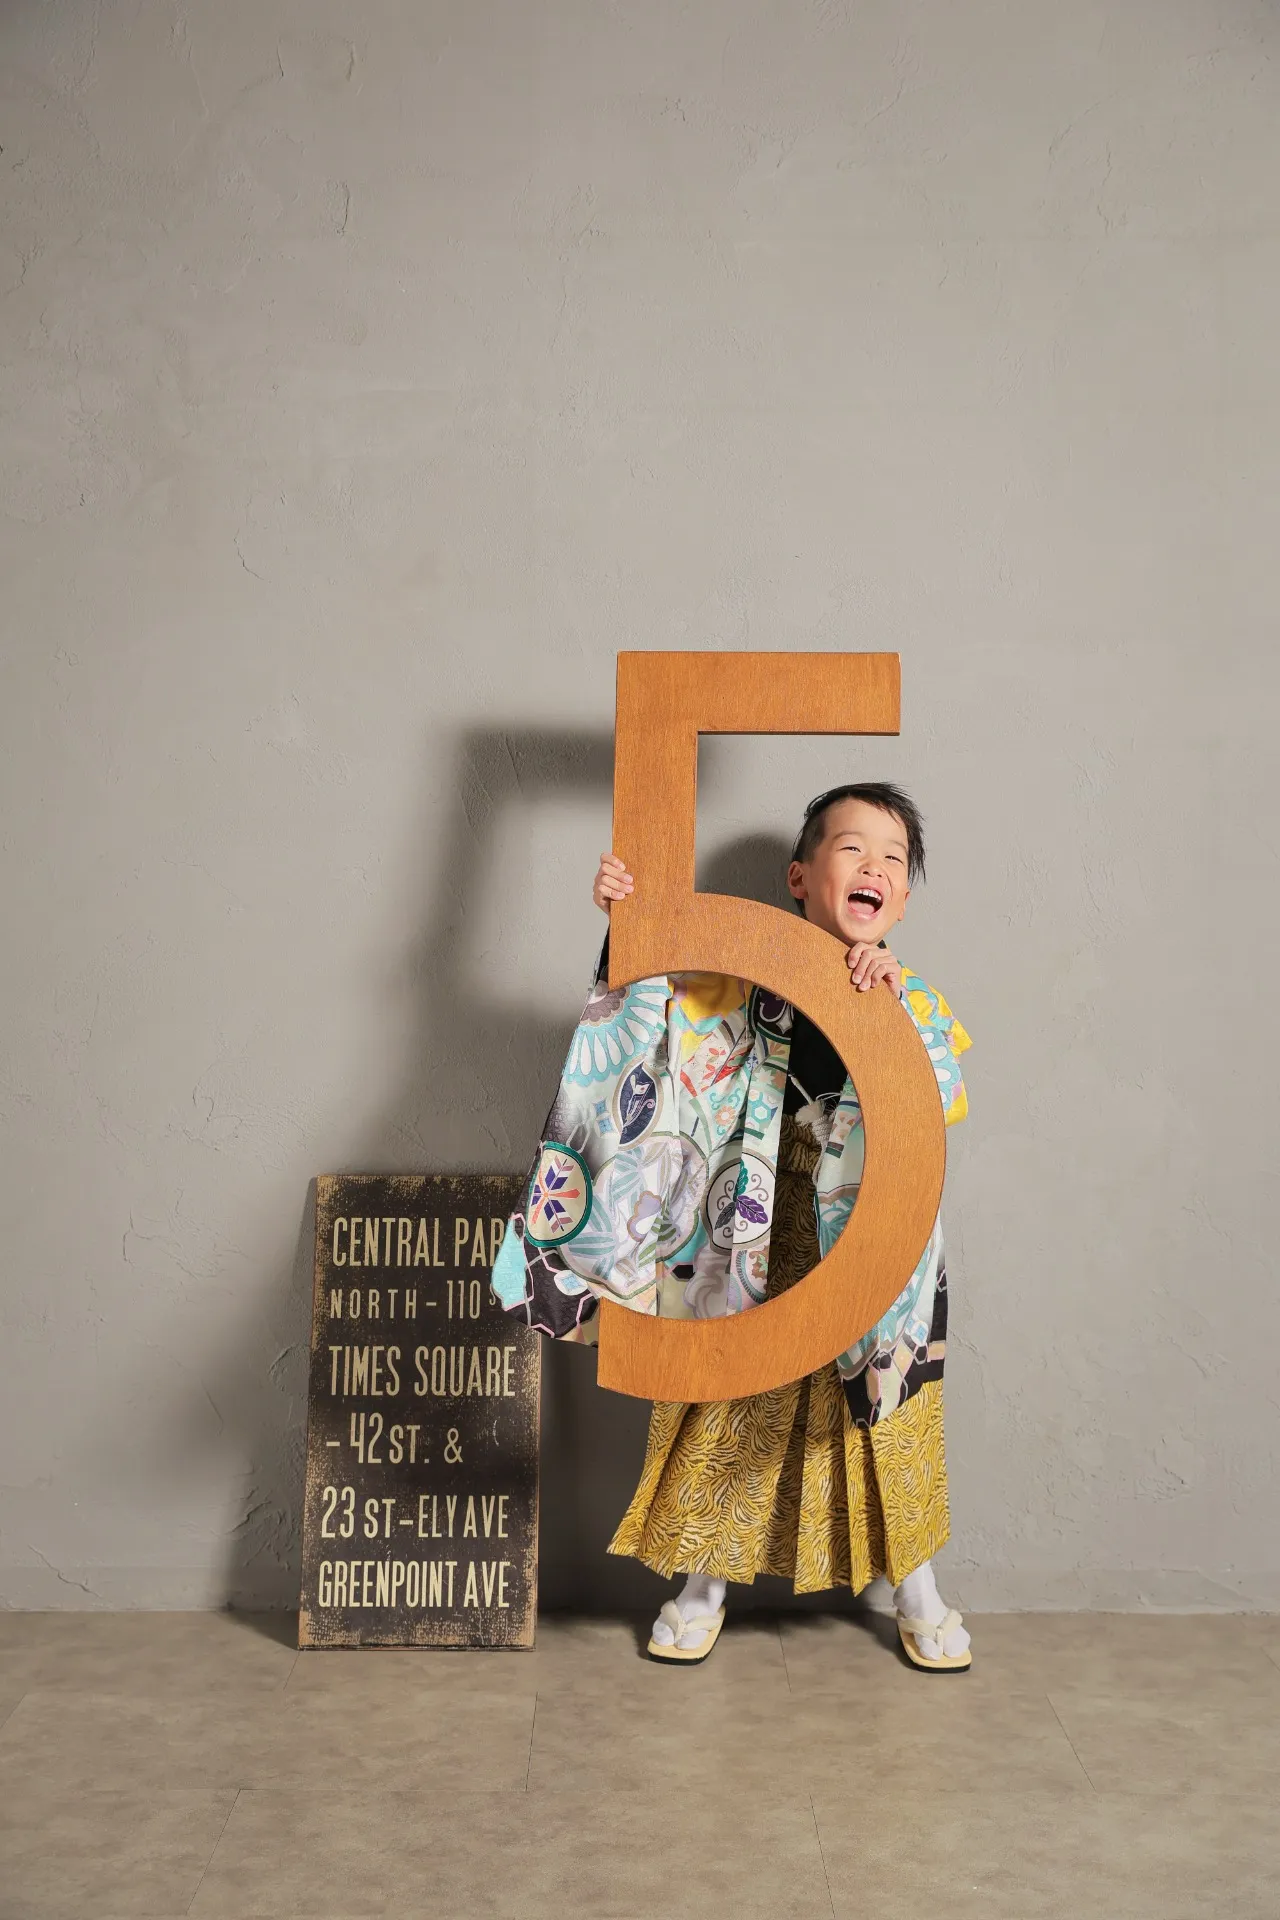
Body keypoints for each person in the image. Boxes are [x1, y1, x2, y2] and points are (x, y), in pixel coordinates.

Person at [492, 782, 972, 1670]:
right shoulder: (739, 987)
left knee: (885, 1409)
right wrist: (628, 926)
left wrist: (892, 1005)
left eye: (893, 859)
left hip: (871, 1225)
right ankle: (702, 1582)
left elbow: (936, 1108)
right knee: (725, 1388)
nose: (873, 866)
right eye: (850, 848)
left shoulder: (917, 1000)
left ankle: (917, 1587)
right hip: (748, 1213)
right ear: (799, 877)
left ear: (903, 897)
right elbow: (654, 1021)